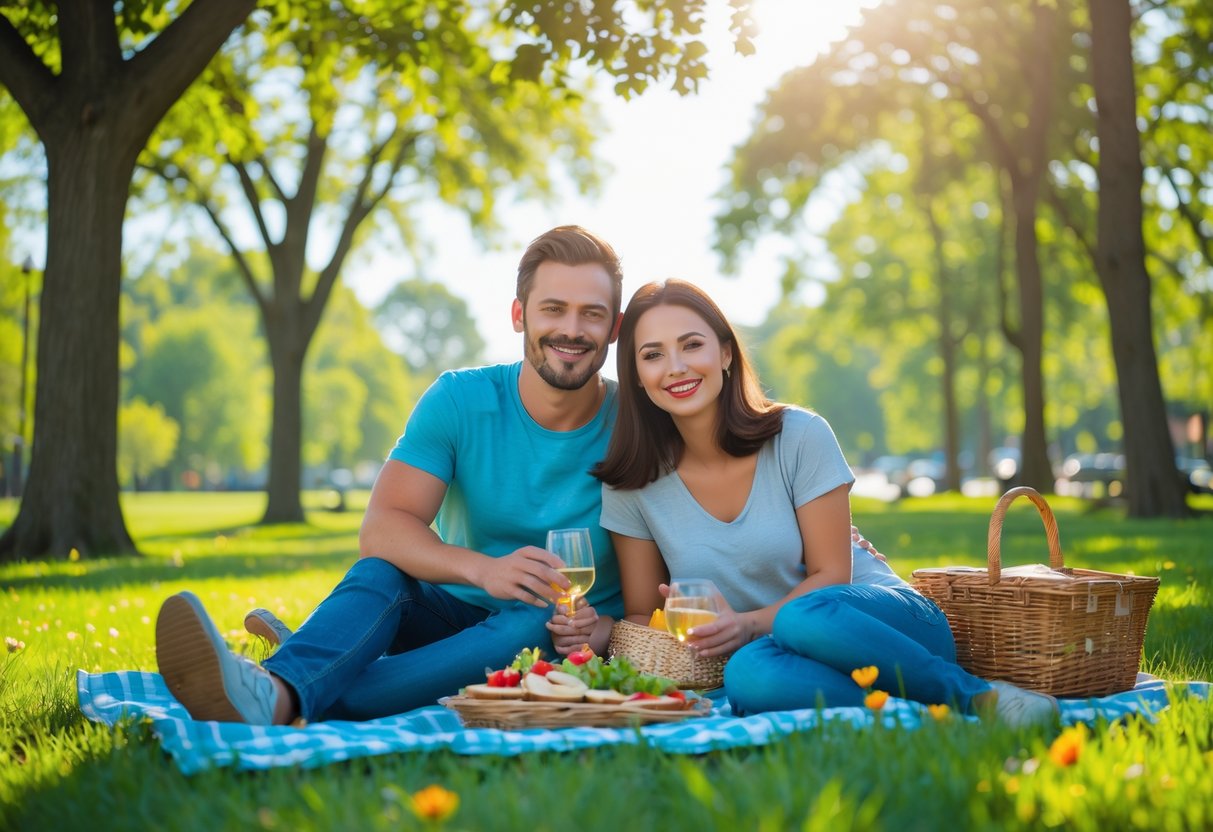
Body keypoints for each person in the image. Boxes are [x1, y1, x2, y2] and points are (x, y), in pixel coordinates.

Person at [154, 225, 628, 724]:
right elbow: (381, 528)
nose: (571, 330)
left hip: (555, 635)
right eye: (553, 308)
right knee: (380, 571)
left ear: (614, 328)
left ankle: (280, 688)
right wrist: (483, 570)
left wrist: (602, 630)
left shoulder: (636, 425)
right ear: (519, 315)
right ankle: (298, 677)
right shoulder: (459, 400)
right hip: (441, 617)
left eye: (591, 314)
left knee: (533, 619)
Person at [553, 279, 1058, 727]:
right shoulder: (633, 482)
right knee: (748, 677)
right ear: (637, 374)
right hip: (774, 651)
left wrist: (747, 623)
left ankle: (978, 697)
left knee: (801, 616)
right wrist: (592, 633)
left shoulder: (798, 435)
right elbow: (644, 615)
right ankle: (919, 717)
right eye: (653, 354)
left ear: (726, 353)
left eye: (692, 345)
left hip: (883, 625)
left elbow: (832, 576)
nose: (677, 367)